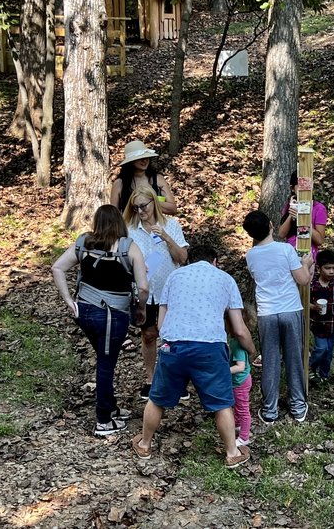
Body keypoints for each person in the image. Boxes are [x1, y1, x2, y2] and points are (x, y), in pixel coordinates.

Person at [131, 245, 256, 468]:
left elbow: (161, 324)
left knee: (157, 399)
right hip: (210, 348)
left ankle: (144, 445)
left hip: (174, 346)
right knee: (221, 403)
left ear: (189, 261)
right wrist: (252, 350)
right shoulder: (225, 279)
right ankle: (232, 453)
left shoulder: (175, 276)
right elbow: (239, 329)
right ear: (215, 261)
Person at [51, 205, 149, 436]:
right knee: (106, 365)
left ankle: (111, 407)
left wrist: (69, 301)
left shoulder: (84, 242)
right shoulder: (129, 247)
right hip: (111, 315)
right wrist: (140, 307)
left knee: (106, 360)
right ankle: (103, 420)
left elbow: (57, 268)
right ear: (119, 223)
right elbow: (143, 287)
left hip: (84, 311)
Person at [243, 210, 315, 423]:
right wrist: (307, 264)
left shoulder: (251, 255)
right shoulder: (285, 249)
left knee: (271, 361)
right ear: (271, 225)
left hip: (267, 312)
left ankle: (269, 410)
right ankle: (298, 405)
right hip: (290, 309)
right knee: (294, 358)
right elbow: (302, 280)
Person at [124, 185, 188, 400]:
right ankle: (151, 379)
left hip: (172, 291)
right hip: (146, 291)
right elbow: (123, 259)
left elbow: (182, 258)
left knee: (174, 337)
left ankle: (177, 380)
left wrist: (167, 237)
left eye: (143, 206)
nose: (140, 211)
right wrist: (136, 267)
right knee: (149, 335)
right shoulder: (131, 230)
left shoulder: (172, 224)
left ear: (154, 203)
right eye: (135, 208)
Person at [309, 249, 334, 382]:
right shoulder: (313, 285)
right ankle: (311, 367)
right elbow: (304, 303)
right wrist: (313, 307)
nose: (331, 271)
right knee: (321, 348)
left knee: (329, 352)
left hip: (333, 324)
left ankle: (324, 374)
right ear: (319, 268)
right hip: (318, 324)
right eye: (327, 268)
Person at [111, 140, 177, 215]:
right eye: (140, 159)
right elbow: (114, 215)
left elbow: (173, 209)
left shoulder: (158, 179)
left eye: (146, 157)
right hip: (129, 226)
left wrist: (151, 202)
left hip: (155, 225)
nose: (145, 161)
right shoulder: (119, 183)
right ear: (131, 162)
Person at [277, 171, 327, 260]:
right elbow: (281, 234)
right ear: (292, 188)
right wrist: (291, 214)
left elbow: (319, 240)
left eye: (307, 186)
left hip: (308, 255)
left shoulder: (319, 208)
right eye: (300, 187)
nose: (304, 190)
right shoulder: (289, 205)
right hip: (290, 253)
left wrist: (304, 219)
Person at [227, 304, 256, 447]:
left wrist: (225, 371)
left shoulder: (237, 344)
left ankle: (244, 437)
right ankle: (237, 425)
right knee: (237, 405)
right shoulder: (234, 341)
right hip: (237, 381)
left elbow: (241, 366)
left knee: (243, 408)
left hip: (241, 381)